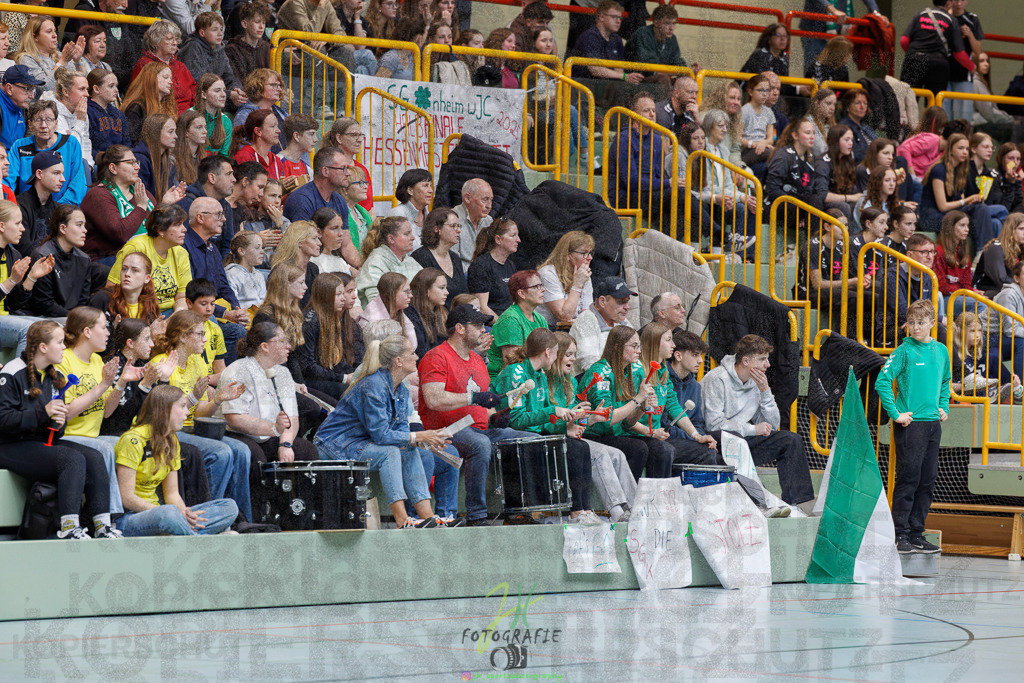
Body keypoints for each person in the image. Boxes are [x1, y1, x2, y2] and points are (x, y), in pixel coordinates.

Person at [315, 333, 456, 528]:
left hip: (362, 442)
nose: (417, 357)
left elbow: (401, 431)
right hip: (334, 444)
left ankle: (428, 516)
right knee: (390, 453)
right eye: (412, 353)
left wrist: (422, 439)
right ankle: (402, 520)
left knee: (409, 448)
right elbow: (381, 435)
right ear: (398, 361)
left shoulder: (401, 389)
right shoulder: (373, 385)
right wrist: (417, 435)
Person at [0, 320, 117, 540]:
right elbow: (4, 421)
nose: (64, 347)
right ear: (43, 347)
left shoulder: (56, 377)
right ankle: (69, 527)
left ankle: (102, 525)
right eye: (60, 342)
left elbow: (52, 429)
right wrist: (43, 413)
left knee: (94, 456)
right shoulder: (12, 371)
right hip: (10, 445)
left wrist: (59, 423)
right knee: (71, 459)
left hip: (39, 442)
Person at [419, 304, 529, 526]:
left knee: (525, 440)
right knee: (479, 444)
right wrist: (473, 398)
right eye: (478, 325)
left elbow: (481, 405)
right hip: (445, 430)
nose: (483, 330)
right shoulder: (436, 357)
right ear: (460, 328)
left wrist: (495, 416)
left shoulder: (477, 360)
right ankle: (477, 515)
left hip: (479, 428)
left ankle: (518, 511)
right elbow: (433, 399)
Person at [149, 310, 252, 520]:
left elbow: (201, 411)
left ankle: (242, 520)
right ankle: (209, 517)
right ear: (183, 337)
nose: (205, 339)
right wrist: (194, 397)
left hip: (192, 427)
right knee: (221, 452)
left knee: (242, 450)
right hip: (169, 430)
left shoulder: (198, 362)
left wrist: (218, 400)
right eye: (200, 334)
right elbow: (165, 416)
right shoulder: (162, 364)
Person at [492, 328, 600, 523]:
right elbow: (515, 420)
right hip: (510, 435)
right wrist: (553, 411)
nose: (558, 357)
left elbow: (543, 421)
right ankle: (575, 512)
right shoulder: (515, 373)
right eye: (558, 352)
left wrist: (565, 427)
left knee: (581, 446)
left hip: (535, 434)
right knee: (574, 449)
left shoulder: (541, 375)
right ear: (548, 352)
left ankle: (585, 510)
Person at [701, 334, 814, 507]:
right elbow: (713, 424)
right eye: (762, 359)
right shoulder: (716, 378)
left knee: (791, 440)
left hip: (743, 441)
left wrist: (765, 392)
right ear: (745, 361)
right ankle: (761, 500)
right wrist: (753, 430)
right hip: (717, 444)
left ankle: (796, 504)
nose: (767, 364)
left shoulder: (756, 382)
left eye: (767, 359)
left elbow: (772, 426)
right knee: (736, 438)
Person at [115, 384, 239, 536]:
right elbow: (126, 498)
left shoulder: (171, 440)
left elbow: (172, 494)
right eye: (182, 406)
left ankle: (182, 532)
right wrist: (165, 512)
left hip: (164, 515)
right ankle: (199, 539)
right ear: (164, 409)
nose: (187, 412)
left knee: (229, 507)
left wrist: (184, 512)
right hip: (130, 518)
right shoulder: (133, 440)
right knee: (169, 515)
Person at [876, 299, 949, 554]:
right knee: (909, 478)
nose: (915, 327)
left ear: (932, 323)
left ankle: (917, 533)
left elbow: (945, 382)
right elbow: (882, 381)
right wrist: (895, 414)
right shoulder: (903, 351)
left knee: (927, 480)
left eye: (920, 322)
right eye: (911, 323)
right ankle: (900, 534)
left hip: (933, 425)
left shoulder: (941, 351)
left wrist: (943, 406)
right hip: (911, 424)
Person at [56, 306, 142, 516]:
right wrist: (102, 385)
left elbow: (106, 412)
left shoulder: (96, 360)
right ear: (87, 331)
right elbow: (65, 414)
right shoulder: (63, 361)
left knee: (134, 441)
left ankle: (135, 505)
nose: (108, 333)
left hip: (92, 436)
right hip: (67, 436)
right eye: (104, 327)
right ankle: (112, 516)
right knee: (104, 448)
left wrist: (120, 383)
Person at [545, 331, 636, 522]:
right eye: (568, 354)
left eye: (574, 354)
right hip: (553, 438)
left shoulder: (570, 382)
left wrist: (592, 418)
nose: (573, 359)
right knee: (598, 452)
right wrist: (569, 423)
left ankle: (635, 509)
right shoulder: (544, 381)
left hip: (570, 436)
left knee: (617, 455)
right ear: (554, 355)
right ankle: (617, 513)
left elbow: (576, 425)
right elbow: (546, 423)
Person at [221, 321, 319, 470]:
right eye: (282, 341)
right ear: (264, 347)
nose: (289, 346)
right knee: (256, 457)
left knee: (307, 450)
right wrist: (273, 428)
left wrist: (285, 444)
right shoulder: (238, 371)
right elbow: (235, 419)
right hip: (237, 434)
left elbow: (292, 417)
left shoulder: (283, 373)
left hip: (270, 434)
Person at [582, 324, 672, 480]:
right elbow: (607, 419)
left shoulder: (629, 372)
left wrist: (643, 407)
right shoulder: (600, 373)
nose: (639, 351)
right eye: (634, 346)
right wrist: (637, 400)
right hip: (593, 434)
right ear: (617, 347)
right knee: (638, 448)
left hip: (616, 433)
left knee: (662, 449)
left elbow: (627, 423)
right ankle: (629, 494)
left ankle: (654, 493)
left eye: (639, 346)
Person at [637, 322, 720, 464]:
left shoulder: (663, 371)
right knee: (665, 450)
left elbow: (674, 407)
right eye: (669, 340)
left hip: (656, 435)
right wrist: (651, 432)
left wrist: (697, 436)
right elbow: (628, 418)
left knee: (712, 447)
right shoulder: (637, 370)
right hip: (642, 435)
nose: (673, 345)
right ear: (655, 342)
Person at [107, 203, 192, 312]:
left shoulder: (181, 253)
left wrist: (177, 315)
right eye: (177, 225)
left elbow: (181, 297)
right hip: (139, 311)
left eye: (183, 224)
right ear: (160, 230)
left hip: (170, 311)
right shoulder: (136, 248)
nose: (184, 229)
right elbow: (112, 288)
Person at [919, 133, 997, 245]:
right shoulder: (939, 170)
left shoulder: (959, 171)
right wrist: (967, 200)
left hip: (950, 215)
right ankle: (984, 250)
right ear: (950, 150)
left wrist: (971, 201)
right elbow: (942, 206)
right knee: (983, 214)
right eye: (960, 148)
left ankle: (986, 251)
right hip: (931, 218)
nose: (965, 152)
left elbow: (959, 203)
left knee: (989, 217)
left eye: (966, 149)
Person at [0, 200, 55, 357]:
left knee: (55, 327)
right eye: (17, 223)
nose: (23, 228)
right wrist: (11, 281)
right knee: (30, 330)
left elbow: (13, 304)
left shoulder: (13, 255)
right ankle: (18, 372)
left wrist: (31, 277)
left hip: (6, 318)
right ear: (2, 226)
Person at [5, 101, 87, 204]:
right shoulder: (19, 146)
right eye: (38, 120)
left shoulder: (71, 144)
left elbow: (78, 186)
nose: (43, 125)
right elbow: (7, 180)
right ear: (30, 125)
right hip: (26, 208)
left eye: (49, 120)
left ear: (56, 124)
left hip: (62, 208)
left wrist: (57, 209)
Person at [298, 272, 363, 399]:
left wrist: (356, 374)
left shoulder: (331, 319)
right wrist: (343, 378)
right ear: (326, 296)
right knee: (353, 393)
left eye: (343, 294)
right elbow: (308, 367)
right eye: (338, 294)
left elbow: (334, 361)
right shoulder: (310, 322)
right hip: (308, 381)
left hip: (324, 376)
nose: (343, 298)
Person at [25, 205, 91, 318]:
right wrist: (73, 319)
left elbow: (83, 300)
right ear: (63, 228)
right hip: (43, 317)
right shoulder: (42, 256)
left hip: (71, 317)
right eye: (79, 225)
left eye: (84, 225)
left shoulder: (84, 259)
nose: (85, 230)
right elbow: (43, 303)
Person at [487, 270, 550, 379]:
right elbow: (513, 366)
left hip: (532, 377)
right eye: (536, 287)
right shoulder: (510, 320)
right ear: (521, 293)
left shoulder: (540, 319)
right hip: (505, 382)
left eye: (541, 285)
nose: (543, 289)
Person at [900, 2, 973, 96]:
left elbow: (904, 41)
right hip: (937, 64)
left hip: (914, 60)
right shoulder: (951, 20)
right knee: (935, 100)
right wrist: (972, 68)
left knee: (908, 99)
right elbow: (959, 53)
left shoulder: (920, 14)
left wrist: (912, 54)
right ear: (948, 3)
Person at [569, 276, 636, 375]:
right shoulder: (586, 320)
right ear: (602, 301)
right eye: (621, 302)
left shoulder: (623, 321)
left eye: (627, 301)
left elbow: (636, 355)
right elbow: (591, 365)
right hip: (592, 381)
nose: (627, 307)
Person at [178, 12, 245, 109]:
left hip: (218, 95)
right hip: (198, 99)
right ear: (202, 33)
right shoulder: (193, 47)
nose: (220, 33)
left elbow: (229, 76)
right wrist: (229, 94)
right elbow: (199, 83)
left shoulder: (219, 47)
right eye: (215, 30)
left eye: (221, 29)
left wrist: (236, 89)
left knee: (246, 102)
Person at [951, 310, 1021, 404]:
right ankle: (991, 394)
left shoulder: (980, 358)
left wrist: (1014, 381)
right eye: (972, 331)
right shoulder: (952, 356)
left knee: (992, 357)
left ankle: (1015, 388)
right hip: (961, 398)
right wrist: (967, 386)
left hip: (981, 395)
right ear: (960, 332)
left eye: (979, 331)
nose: (977, 335)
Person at [766, 119, 826, 223]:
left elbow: (808, 190)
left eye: (814, 133)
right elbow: (772, 189)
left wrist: (803, 213)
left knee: (821, 202)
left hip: (796, 204)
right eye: (808, 133)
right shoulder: (783, 155)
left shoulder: (810, 158)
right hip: (777, 205)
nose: (812, 136)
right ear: (795, 135)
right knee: (814, 201)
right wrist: (796, 204)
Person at [355, 216, 422, 307]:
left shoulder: (410, 260)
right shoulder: (376, 262)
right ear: (391, 239)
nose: (413, 237)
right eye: (407, 234)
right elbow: (376, 303)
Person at [178, 154, 236, 259]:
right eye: (228, 174)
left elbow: (227, 246)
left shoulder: (226, 206)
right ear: (212, 178)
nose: (234, 179)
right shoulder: (187, 202)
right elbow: (180, 244)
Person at [132, 20, 196, 115]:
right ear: (156, 41)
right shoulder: (145, 65)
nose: (175, 43)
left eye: (176, 39)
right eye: (169, 39)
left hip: (188, 117)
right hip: (162, 116)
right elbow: (140, 99)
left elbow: (194, 94)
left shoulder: (180, 66)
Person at [89, 251, 163, 333]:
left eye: (135, 270)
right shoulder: (102, 299)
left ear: (147, 278)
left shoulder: (150, 304)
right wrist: (114, 332)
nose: (127, 274)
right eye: (124, 269)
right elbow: (89, 334)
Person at [570, 1, 641, 84]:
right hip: (581, 85)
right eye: (614, 17)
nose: (618, 21)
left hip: (605, 85)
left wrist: (625, 78)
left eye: (620, 18)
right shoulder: (589, 37)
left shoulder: (617, 39)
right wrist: (624, 76)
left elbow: (619, 69)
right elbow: (595, 70)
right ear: (601, 17)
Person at [535, 231, 594, 327]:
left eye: (590, 253)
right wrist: (577, 285)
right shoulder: (548, 273)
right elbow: (564, 316)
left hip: (573, 329)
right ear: (567, 255)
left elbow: (587, 314)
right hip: (547, 329)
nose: (590, 258)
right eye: (584, 253)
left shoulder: (583, 274)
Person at [40, 69, 93, 175]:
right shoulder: (50, 113)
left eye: (87, 89)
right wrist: (80, 121)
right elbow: (66, 149)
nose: (87, 94)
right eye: (82, 89)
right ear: (66, 92)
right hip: (54, 165)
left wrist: (89, 165)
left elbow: (86, 143)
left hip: (77, 164)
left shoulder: (81, 112)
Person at [934, 210, 984, 320]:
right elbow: (941, 286)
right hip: (945, 298)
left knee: (986, 300)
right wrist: (965, 292)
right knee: (979, 305)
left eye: (967, 225)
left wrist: (972, 292)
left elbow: (966, 283)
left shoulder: (964, 253)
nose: (967, 229)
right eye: (962, 225)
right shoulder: (939, 252)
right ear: (950, 228)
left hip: (959, 295)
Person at [411, 207, 467, 306]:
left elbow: (464, 293)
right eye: (453, 226)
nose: (458, 230)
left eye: (459, 226)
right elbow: (421, 297)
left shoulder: (455, 258)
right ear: (437, 229)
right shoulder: (421, 257)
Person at [800, 0, 880, 66]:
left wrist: (876, 13)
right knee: (815, 68)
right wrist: (833, 10)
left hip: (840, 30)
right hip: (815, 29)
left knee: (839, 70)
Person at [283, 146, 351, 224]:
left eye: (347, 168)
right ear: (325, 171)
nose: (348, 173)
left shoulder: (340, 200)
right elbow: (302, 232)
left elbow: (344, 231)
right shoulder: (301, 200)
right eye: (343, 168)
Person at [14, 151, 64, 257]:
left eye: (62, 173)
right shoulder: (20, 206)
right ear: (39, 174)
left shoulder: (57, 208)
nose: (62, 179)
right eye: (56, 173)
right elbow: (24, 249)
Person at [14, 16, 76, 94]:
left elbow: (75, 82)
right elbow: (45, 88)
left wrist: (77, 61)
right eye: (49, 32)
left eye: (54, 31)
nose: (55, 35)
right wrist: (61, 63)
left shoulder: (60, 55)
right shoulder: (26, 59)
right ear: (35, 37)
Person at [120, 61, 177, 146]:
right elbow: (130, 142)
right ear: (151, 79)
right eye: (165, 77)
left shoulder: (165, 105)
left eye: (170, 78)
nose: (170, 82)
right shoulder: (136, 108)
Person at [323, 117, 373, 213]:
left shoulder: (362, 169)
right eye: (354, 135)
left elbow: (370, 208)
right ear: (339, 138)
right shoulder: (329, 168)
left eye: (360, 135)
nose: (360, 140)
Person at [815, 125, 862, 223]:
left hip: (841, 201)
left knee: (862, 203)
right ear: (835, 141)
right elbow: (822, 195)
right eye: (846, 140)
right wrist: (851, 198)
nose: (851, 143)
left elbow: (853, 190)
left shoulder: (847, 160)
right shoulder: (822, 163)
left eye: (851, 140)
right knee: (844, 207)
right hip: (820, 206)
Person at [270, 220, 321, 308]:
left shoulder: (313, 269)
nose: (319, 243)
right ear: (300, 242)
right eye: (314, 238)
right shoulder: (283, 269)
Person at [86, 68, 131, 164]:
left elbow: (126, 143)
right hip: (97, 164)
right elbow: (85, 144)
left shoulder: (118, 114)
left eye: (116, 86)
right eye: (111, 86)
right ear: (96, 89)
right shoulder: (86, 111)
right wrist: (103, 160)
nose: (116, 90)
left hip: (119, 162)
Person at [453, 180, 497, 276]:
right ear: (467, 198)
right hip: (462, 275)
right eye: (485, 199)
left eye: (491, 200)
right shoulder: (452, 219)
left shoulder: (488, 220)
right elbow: (452, 262)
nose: (489, 206)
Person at [0, 65, 43, 161]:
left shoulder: (22, 105)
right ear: (9, 88)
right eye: (27, 89)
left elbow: (27, 143)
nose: (32, 96)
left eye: (33, 90)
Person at [975, 214, 1024, 297]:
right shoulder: (995, 248)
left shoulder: (1020, 248)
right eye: (1021, 229)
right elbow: (1002, 280)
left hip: (1009, 292)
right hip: (986, 292)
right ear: (1011, 230)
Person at [625, 4, 686, 68]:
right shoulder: (643, 34)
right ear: (656, 22)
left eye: (674, 23)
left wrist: (687, 69)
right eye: (667, 23)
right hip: (631, 73)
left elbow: (676, 60)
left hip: (656, 72)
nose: (671, 28)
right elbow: (649, 66)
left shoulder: (672, 38)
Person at [134, 113, 178, 201]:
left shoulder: (168, 162)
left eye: (175, 132)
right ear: (156, 133)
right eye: (170, 132)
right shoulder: (140, 160)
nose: (176, 136)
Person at [407, 268, 449, 358]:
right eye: (441, 288)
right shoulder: (410, 315)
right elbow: (420, 353)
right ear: (426, 290)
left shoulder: (443, 312)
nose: (447, 292)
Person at [225, 1, 273, 80]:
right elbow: (237, 81)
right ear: (245, 24)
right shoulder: (232, 50)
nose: (261, 26)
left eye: (264, 23)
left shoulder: (267, 48)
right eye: (257, 22)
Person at [739, 74, 776, 174]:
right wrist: (753, 144)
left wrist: (763, 143)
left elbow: (771, 139)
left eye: (767, 90)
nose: (765, 94)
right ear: (750, 92)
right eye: (760, 90)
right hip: (747, 150)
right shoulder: (744, 111)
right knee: (771, 154)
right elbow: (738, 137)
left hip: (762, 148)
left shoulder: (769, 112)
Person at [388, 168, 433, 249]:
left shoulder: (428, 215)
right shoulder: (397, 214)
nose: (431, 190)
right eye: (425, 186)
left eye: (430, 185)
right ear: (410, 190)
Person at [994, 261, 1024, 380]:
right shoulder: (1008, 295)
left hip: (1005, 338)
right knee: (1022, 343)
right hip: (989, 338)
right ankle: (1020, 387)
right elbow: (1010, 330)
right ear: (1016, 279)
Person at [234, 109, 284, 181]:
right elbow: (245, 186)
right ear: (258, 131)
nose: (278, 131)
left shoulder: (276, 160)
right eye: (273, 126)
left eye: (277, 126)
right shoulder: (244, 157)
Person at [191, 74, 232, 157]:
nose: (223, 94)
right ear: (204, 94)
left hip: (216, 164)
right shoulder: (189, 116)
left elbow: (224, 156)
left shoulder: (226, 121)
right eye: (217, 91)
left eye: (224, 90)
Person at [224, 230, 267, 309]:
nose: (262, 252)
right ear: (241, 251)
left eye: (262, 247)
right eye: (257, 248)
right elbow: (233, 307)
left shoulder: (259, 275)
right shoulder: (232, 275)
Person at [375, 16, 426, 81]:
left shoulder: (412, 57)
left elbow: (419, 83)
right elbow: (378, 83)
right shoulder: (391, 58)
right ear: (418, 38)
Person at [310, 207, 357, 275]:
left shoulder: (341, 262)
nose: (341, 233)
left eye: (341, 227)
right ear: (319, 232)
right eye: (334, 228)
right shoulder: (313, 263)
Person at [972, 52, 1014, 128]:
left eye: (987, 61)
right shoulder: (976, 83)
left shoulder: (981, 82)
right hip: (980, 126)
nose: (986, 64)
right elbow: (988, 112)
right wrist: (1008, 118)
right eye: (981, 61)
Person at [277, 114, 318, 190]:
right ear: (296, 136)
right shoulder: (276, 162)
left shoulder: (307, 169)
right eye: (311, 134)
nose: (316, 139)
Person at [851, 165, 898, 231]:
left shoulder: (892, 202)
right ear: (877, 182)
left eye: (894, 180)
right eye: (887, 180)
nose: (892, 184)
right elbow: (868, 231)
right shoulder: (865, 203)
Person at [837, 89, 877, 163]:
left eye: (865, 103)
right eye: (857, 103)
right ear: (847, 107)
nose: (862, 107)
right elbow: (856, 156)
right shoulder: (844, 128)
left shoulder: (866, 127)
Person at [341, 165, 373, 256]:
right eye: (360, 183)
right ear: (345, 189)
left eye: (365, 182)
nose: (365, 187)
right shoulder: (338, 214)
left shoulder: (363, 213)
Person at [174, 109, 209, 188]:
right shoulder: (173, 160)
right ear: (186, 132)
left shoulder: (203, 158)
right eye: (199, 127)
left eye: (205, 127)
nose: (205, 131)